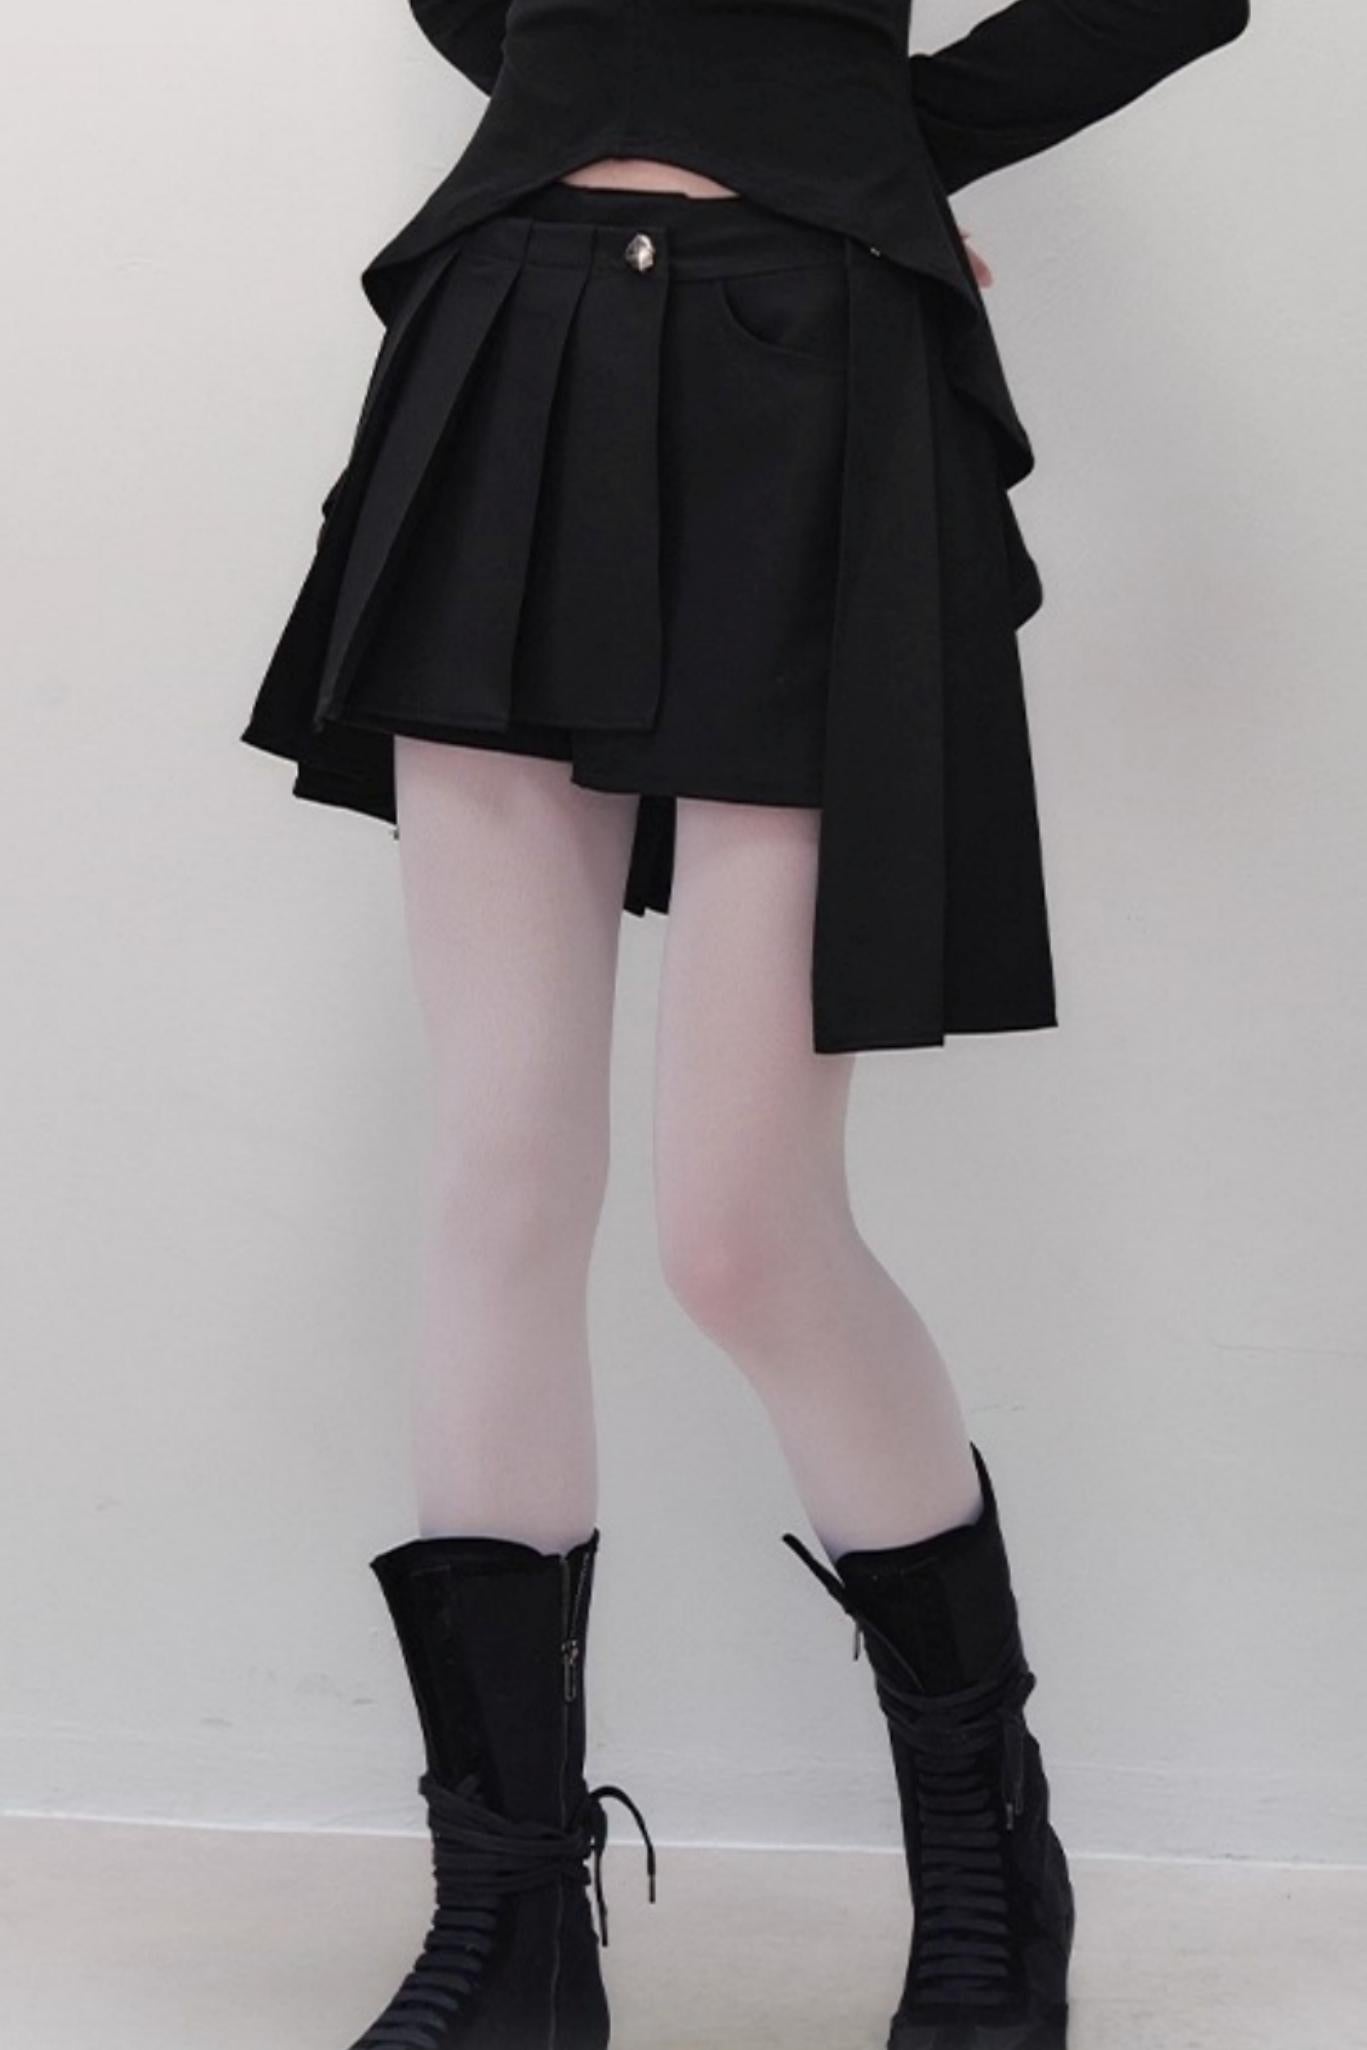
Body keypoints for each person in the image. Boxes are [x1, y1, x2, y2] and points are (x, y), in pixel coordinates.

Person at [238, 3, 1251, 2044]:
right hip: (510, 334)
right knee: (500, 1180)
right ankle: (510, 1929)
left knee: (743, 1227)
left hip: (814, 369)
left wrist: (868, 138)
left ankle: (990, 1866)